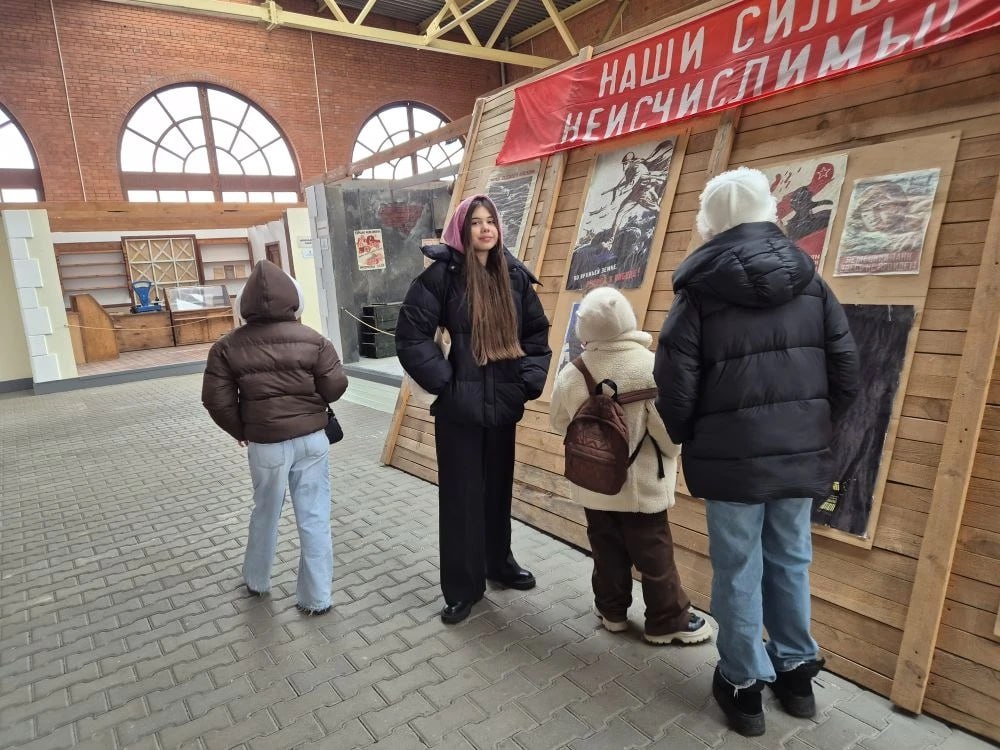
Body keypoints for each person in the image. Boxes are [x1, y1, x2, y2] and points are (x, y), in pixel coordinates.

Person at [654, 167, 859, 736]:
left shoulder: (698, 293)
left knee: (739, 568)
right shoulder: (812, 283)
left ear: (712, 221)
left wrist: (690, 434)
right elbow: (847, 375)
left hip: (730, 460)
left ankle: (744, 686)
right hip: (798, 453)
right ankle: (795, 673)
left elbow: (675, 384)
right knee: (791, 559)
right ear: (768, 212)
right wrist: (808, 426)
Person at [395, 195, 552, 625]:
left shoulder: (514, 277)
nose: (485, 229)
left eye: (491, 222)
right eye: (476, 222)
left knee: (496, 492)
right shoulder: (442, 277)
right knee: (462, 499)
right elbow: (411, 336)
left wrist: (526, 385)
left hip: (503, 405)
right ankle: (463, 588)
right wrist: (446, 385)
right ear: (461, 229)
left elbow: (537, 333)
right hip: (459, 412)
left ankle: (497, 564)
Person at [549, 287, 711, 646]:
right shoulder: (650, 367)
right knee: (653, 553)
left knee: (605, 548)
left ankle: (612, 612)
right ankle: (666, 619)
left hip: (593, 484)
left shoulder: (572, 372)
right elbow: (668, 435)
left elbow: (560, 423)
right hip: (640, 487)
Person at [202, 259, 348, 616]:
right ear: (294, 300)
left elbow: (215, 399)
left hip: (266, 444)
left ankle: (257, 580)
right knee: (313, 516)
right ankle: (317, 599)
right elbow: (335, 385)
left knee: (265, 511)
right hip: (313, 440)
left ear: (244, 305)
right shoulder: (314, 339)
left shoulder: (226, 346)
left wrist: (242, 430)